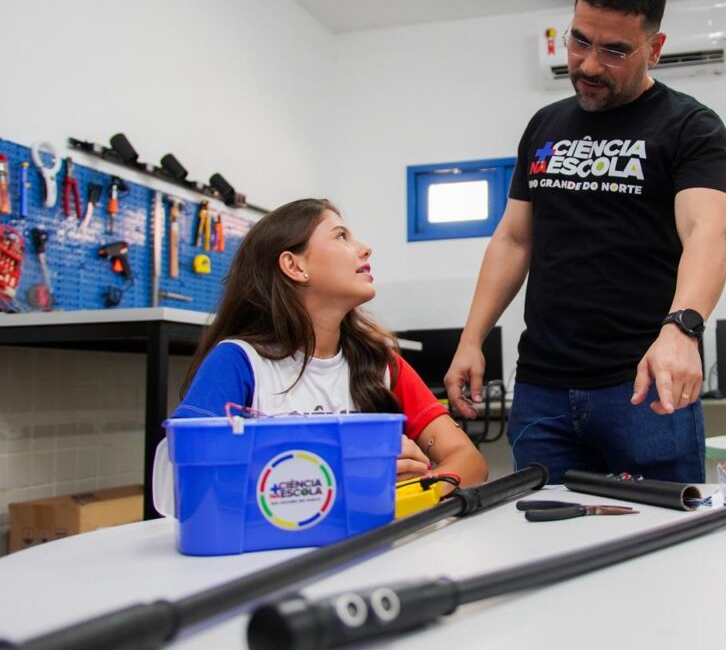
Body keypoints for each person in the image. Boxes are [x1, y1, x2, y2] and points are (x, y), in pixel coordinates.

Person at [445, 0, 726, 483]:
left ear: (655, 47)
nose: (589, 65)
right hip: (541, 391)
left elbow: (707, 233)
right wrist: (472, 339)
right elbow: (513, 239)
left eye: (615, 51)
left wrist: (683, 329)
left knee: (661, 546)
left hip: (645, 388)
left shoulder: (691, 126)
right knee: (545, 541)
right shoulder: (546, 125)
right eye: (579, 42)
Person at [165, 198, 487, 498]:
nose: (364, 249)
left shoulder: (381, 364)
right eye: (341, 236)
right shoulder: (239, 362)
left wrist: (413, 492)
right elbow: (184, 477)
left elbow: (469, 461)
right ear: (294, 266)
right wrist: (346, 480)